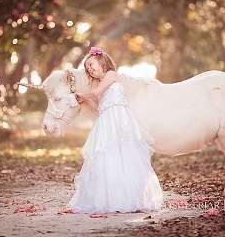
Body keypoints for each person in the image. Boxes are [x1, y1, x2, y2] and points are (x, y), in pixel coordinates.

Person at [68, 46, 163, 214]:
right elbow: (100, 107)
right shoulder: (102, 83)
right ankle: (110, 198)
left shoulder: (112, 75)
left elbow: (96, 92)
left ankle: (129, 198)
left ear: (102, 61)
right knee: (106, 157)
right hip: (105, 120)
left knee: (123, 155)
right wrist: (86, 101)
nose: (90, 69)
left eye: (91, 65)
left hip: (118, 119)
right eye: (87, 69)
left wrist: (84, 94)